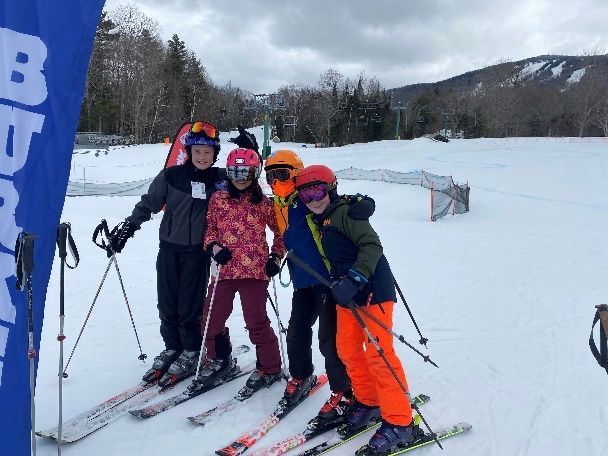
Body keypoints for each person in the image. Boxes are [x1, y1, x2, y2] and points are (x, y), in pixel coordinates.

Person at [294, 164, 420, 455]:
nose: (313, 200)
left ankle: (402, 422)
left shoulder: (346, 213)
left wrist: (356, 278)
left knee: (379, 354)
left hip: (372, 290)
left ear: (331, 188)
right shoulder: (321, 219)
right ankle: (369, 401)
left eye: (318, 191)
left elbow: (372, 246)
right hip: (346, 295)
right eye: (306, 195)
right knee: (347, 349)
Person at [107, 120, 226, 387]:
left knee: (189, 306)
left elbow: (248, 180)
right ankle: (172, 346)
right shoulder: (171, 176)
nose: (203, 157)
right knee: (167, 304)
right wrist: (128, 227)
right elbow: (148, 203)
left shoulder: (219, 179)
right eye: (198, 152)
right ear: (189, 152)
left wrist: (252, 151)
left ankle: (192, 350)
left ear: (214, 154)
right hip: (169, 249)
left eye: (208, 152)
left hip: (198, 252)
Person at [264, 150, 374, 427]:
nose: (277, 180)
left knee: (329, 340)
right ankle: (301, 375)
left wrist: (363, 202)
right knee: (297, 331)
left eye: (283, 174)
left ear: (296, 173)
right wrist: (275, 257)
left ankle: (345, 390)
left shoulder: (305, 197)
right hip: (302, 281)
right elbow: (280, 235)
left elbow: (336, 200)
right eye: (271, 175)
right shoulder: (277, 204)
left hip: (327, 280)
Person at [195, 147, 286, 392]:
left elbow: (281, 233)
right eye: (235, 171)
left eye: (247, 171)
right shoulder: (218, 199)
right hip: (225, 270)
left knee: (255, 321)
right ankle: (220, 358)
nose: (240, 177)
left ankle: (270, 367)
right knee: (210, 318)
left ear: (255, 173)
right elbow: (210, 230)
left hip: (255, 272)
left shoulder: (264, 204)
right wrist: (214, 247)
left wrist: (275, 258)